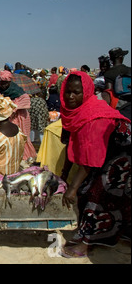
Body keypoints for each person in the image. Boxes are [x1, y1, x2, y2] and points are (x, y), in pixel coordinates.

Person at [59, 71, 131, 258]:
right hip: (106, 156)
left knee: (94, 195)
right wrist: (63, 175)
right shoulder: (76, 113)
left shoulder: (94, 116)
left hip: (121, 156)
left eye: (77, 92)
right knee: (87, 190)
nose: (71, 97)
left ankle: (87, 243)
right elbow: (72, 145)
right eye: (68, 92)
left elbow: (90, 157)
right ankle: (93, 235)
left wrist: (71, 189)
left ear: (88, 92)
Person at [0, 70, 36, 162]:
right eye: (2, 83)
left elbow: (26, 100)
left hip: (20, 116)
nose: (3, 85)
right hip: (9, 117)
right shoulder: (0, 90)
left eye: (6, 83)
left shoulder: (16, 90)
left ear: (9, 82)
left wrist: (14, 107)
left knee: (22, 136)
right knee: (11, 136)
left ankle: (24, 156)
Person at [103, 47, 131, 120]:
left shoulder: (108, 73)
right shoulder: (128, 70)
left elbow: (108, 91)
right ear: (120, 57)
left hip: (117, 106)